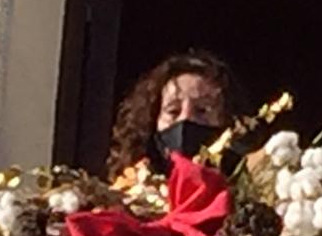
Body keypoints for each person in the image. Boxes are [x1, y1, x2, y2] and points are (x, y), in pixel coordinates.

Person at [105, 51, 246, 179]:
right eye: (173, 111)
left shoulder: (253, 200)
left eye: (202, 110)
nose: (185, 118)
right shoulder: (125, 202)